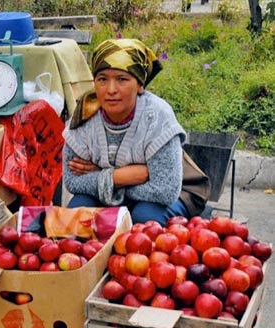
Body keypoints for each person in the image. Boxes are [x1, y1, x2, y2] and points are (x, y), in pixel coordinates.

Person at [62, 38, 208, 226]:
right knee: (77, 212)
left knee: (143, 217)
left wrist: (103, 177)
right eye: (102, 79)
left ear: (140, 85)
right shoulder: (84, 117)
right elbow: (73, 182)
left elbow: (164, 190)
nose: (111, 90)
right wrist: (118, 176)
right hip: (128, 188)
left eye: (122, 79)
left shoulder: (157, 117)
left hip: (177, 192)